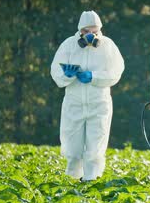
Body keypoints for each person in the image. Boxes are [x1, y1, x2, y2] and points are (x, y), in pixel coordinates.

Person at [50, 10, 125, 181]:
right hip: (74, 103)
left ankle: (92, 183)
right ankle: (72, 182)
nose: (91, 35)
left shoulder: (108, 45)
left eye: (94, 31)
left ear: (99, 29)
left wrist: (94, 77)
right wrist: (66, 75)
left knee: (95, 149)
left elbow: (116, 72)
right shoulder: (69, 45)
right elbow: (55, 71)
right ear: (80, 31)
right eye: (87, 32)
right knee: (73, 149)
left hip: (99, 104)